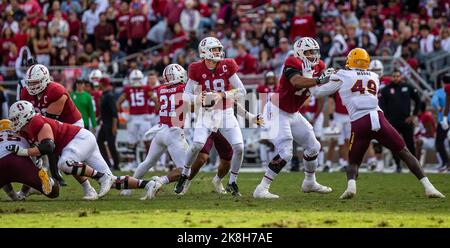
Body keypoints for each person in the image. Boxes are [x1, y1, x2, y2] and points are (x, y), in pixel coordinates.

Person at [309, 47, 444, 199]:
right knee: (404, 152)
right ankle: (429, 187)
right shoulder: (374, 75)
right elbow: (358, 78)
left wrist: (321, 79)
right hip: (379, 118)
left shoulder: (342, 75)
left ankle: (351, 187)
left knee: (354, 160)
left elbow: (317, 93)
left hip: (360, 121)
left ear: (351, 61)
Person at [253, 37, 333, 199]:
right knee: (286, 152)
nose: (313, 55)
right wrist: (318, 80)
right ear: (300, 52)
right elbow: (296, 82)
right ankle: (261, 189)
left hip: (292, 112)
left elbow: (318, 90)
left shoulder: (320, 66)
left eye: (315, 52)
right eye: (309, 52)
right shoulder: (292, 62)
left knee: (313, 146)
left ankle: (309, 182)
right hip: (276, 109)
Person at [175, 37, 247, 196]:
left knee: (239, 147)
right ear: (205, 52)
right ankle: (184, 174)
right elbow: (185, 95)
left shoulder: (227, 65)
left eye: (218, 49)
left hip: (226, 113)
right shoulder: (195, 68)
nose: (218, 52)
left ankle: (232, 183)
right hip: (206, 114)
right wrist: (197, 99)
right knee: (196, 145)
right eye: (214, 49)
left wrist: (221, 94)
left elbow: (242, 91)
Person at [21, 64, 99, 199]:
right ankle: (29, 188)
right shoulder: (25, 92)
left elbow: (50, 130)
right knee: (31, 155)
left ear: (45, 80)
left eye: (35, 82)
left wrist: (53, 169)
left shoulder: (56, 90)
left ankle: (89, 188)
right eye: (30, 83)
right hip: (47, 125)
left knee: (66, 159)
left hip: (69, 125)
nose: (32, 86)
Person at [120, 64, 189, 199]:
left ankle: (128, 188)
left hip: (161, 130)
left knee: (147, 162)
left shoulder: (161, 89)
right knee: (185, 170)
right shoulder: (182, 88)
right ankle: (158, 181)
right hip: (174, 132)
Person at [0, 119, 59, 201]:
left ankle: (14, 196)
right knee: (54, 191)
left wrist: (13, 195)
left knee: (3, 173)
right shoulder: (23, 134)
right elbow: (37, 155)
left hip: (1, 162)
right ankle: (48, 183)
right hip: (20, 163)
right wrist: (42, 168)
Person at [379, 68, 421, 173]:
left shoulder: (408, 87)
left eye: (398, 76)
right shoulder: (385, 90)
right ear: (391, 77)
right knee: (394, 145)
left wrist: (414, 115)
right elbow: (381, 105)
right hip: (392, 122)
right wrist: (385, 119)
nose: (396, 78)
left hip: (406, 121)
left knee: (410, 144)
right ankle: (397, 165)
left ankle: (415, 166)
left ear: (401, 76)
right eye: (394, 76)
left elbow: (418, 100)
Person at [116, 69, 154, 168]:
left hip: (141, 117)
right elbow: (118, 103)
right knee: (132, 141)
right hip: (135, 117)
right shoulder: (135, 89)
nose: (136, 80)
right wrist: (122, 115)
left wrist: (153, 113)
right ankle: (131, 163)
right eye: (135, 78)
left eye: (138, 78)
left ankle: (148, 163)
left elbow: (118, 103)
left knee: (147, 141)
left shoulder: (134, 89)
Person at [97, 77, 120, 170]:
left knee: (111, 144)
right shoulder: (105, 94)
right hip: (105, 123)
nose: (98, 85)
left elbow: (114, 112)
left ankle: (116, 164)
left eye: (100, 83)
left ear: (103, 84)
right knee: (99, 141)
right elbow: (105, 110)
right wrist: (99, 118)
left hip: (110, 124)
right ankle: (108, 163)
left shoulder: (109, 96)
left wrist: (114, 127)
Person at [432, 74, 450, 172]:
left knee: (439, 143)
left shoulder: (439, 92)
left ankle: (446, 163)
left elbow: (434, 102)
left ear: (442, 82)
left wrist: (438, 107)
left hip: (444, 120)